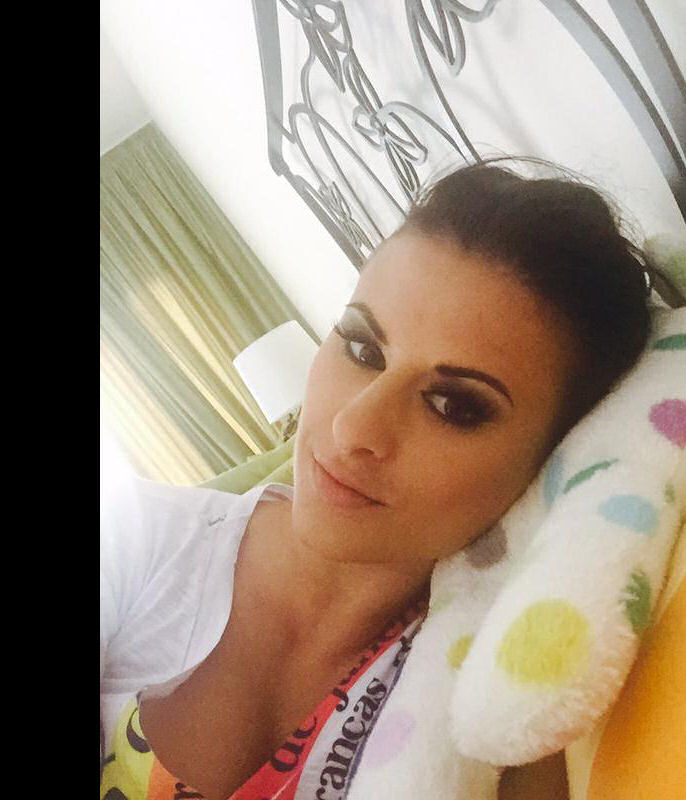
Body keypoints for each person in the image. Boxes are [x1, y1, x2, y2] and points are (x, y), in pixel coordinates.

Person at [100, 160, 652, 800]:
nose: (352, 427)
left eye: (453, 405)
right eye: (363, 348)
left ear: (553, 458)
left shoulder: (505, 697)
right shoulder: (133, 542)